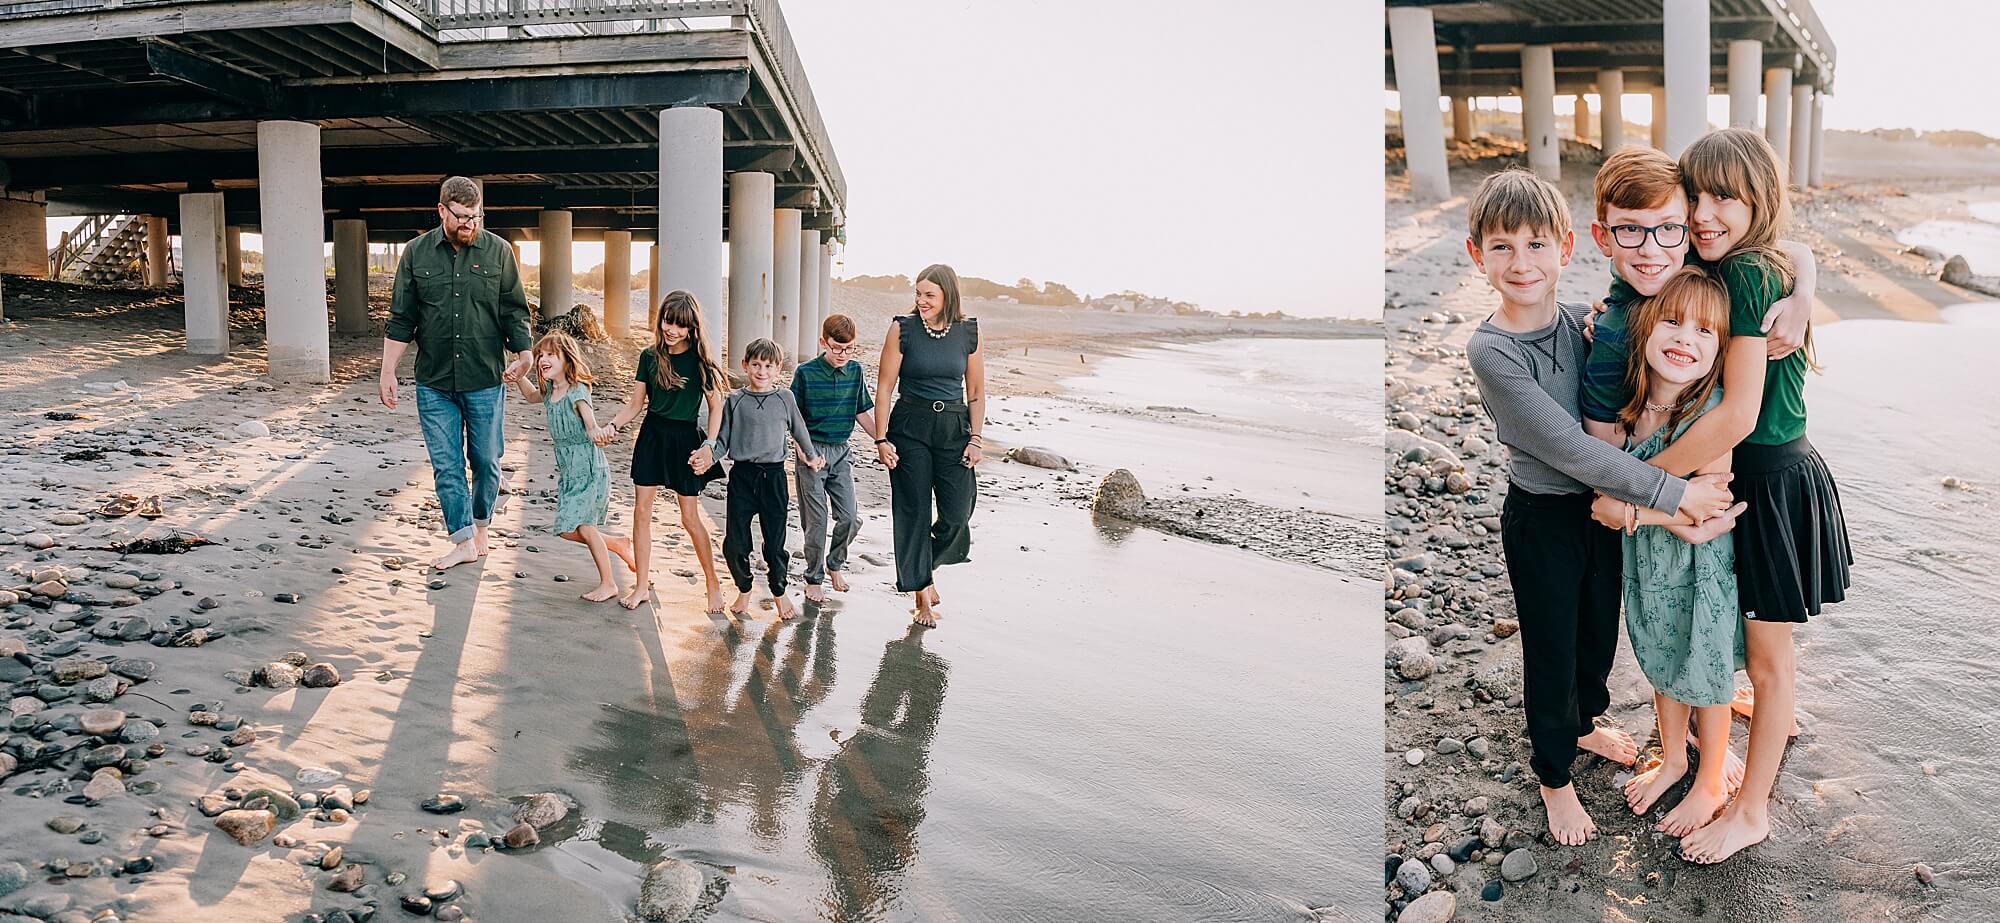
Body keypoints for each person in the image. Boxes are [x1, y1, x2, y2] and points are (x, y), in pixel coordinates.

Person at [1461, 169, 1736, 846]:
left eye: (1534, 244)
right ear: (1477, 256)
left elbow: (1682, 287)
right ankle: (1553, 776)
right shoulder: (1492, 349)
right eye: (1501, 247)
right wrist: (1677, 495)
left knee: (1596, 633)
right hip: (1544, 517)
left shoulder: (1585, 319)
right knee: (1551, 645)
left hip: (1599, 512)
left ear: (1565, 247)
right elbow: (1571, 448)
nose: (1521, 263)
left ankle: (1583, 723)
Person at [1670, 127, 1852, 865]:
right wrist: (1805, 284)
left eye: (1725, 198)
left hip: (1768, 479)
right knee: (1754, 640)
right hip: (1776, 472)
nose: (1705, 213)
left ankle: (1752, 811)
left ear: (1759, 202)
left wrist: (1642, 479)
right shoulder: (1754, 263)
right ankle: (1759, 718)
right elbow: (1798, 249)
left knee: (1771, 657)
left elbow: (1740, 415)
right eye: (1695, 197)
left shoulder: (1746, 276)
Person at [1586, 268, 1746, 837]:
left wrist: (1625, 510)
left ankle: (1709, 777)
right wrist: (1651, 512)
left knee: (1703, 668)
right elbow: (1684, 502)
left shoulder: (1711, 412)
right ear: (1647, 328)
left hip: (1701, 569)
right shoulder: (1628, 407)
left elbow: (1708, 505)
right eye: (1673, 322)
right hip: (1649, 562)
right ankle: (1674, 757)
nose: (1686, 339)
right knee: (1659, 655)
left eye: (1706, 332)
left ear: (1720, 350)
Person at [378, 176, 533, 571]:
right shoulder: (416, 253)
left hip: (485, 378)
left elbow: (514, 311)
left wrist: (525, 354)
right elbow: (402, 319)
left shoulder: (499, 252)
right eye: (462, 217)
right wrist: (388, 372)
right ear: (443, 210)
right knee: (447, 465)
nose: (470, 225)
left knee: (485, 461)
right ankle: (462, 539)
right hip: (434, 381)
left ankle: (482, 524)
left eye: (476, 217)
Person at [867, 264, 985, 628]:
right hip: (909, 428)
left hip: (953, 428)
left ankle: (923, 568)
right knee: (914, 513)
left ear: (947, 295)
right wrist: (881, 438)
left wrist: (976, 438)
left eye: (929, 295)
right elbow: (885, 386)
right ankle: (921, 597)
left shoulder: (968, 332)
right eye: (918, 294)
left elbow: (977, 392)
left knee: (957, 514)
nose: (921, 301)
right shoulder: (902, 329)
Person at [602, 290, 731, 612]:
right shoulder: (649, 357)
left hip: (686, 440)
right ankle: (641, 585)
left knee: (689, 517)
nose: (671, 330)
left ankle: (713, 583)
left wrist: (709, 446)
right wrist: (612, 427)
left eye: (679, 326)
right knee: (641, 512)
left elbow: (717, 408)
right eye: (667, 322)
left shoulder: (702, 363)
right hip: (652, 435)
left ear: (691, 329)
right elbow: (635, 404)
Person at [508, 332, 634, 602]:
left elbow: (590, 424)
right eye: (541, 355)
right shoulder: (551, 390)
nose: (543, 359)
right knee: (566, 529)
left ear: (567, 359)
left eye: (551, 354)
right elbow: (531, 395)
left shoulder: (577, 391)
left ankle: (609, 583)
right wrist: (518, 375)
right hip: (569, 471)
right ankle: (616, 543)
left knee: (585, 527)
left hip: (588, 468)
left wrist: (599, 433)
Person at [705, 338, 823, 620]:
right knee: (736, 542)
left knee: (774, 543)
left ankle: (779, 592)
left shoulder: (785, 398)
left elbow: (799, 428)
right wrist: (708, 455)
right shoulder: (735, 401)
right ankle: (744, 588)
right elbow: (722, 440)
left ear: (778, 368)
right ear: (745, 365)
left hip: (774, 477)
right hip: (742, 476)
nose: (761, 371)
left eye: (768, 366)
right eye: (756, 365)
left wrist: (810, 454)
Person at [790, 313, 878, 603]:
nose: (843, 354)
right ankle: (814, 578)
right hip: (811, 449)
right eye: (837, 348)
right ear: (823, 343)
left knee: (851, 518)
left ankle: (834, 564)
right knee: (817, 521)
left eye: (849, 348)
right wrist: (804, 452)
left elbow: (862, 411)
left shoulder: (855, 371)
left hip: (841, 452)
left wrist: (882, 440)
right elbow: (794, 419)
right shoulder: (805, 372)